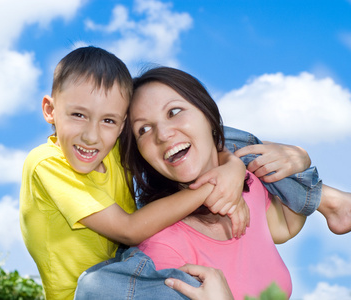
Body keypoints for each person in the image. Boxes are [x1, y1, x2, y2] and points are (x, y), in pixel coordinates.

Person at [74, 66, 347, 299]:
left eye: (174, 111)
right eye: (143, 129)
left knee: (246, 152)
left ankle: (330, 202)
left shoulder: (248, 187)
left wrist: (298, 158)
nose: (163, 134)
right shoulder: (162, 248)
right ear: (142, 156)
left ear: (208, 115)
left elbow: (286, 225)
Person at [19, 47, 249, 300]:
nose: (91, 136)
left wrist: (232, 166)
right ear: (50, 110)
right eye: (78, 115)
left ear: (121, 124)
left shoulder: (111, 148)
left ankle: (273, 157)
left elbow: (202, 138)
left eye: (108, 120)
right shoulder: (46, 163)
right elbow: (129, 230)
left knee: (204, 133)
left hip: (131, 268)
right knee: (183, 284)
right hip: (92, 293)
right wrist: (214, 187)